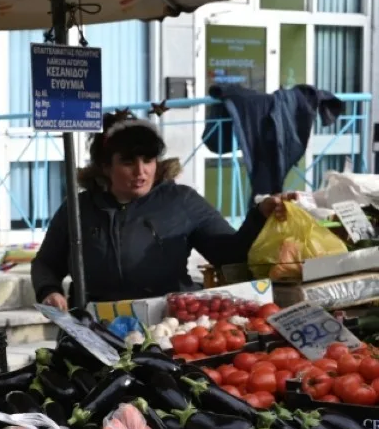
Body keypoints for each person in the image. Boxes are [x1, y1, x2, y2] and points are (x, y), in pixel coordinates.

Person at [31, 111, 293, 308]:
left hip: (166, 324)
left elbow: (229, 253)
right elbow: (46, 263)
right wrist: (48, 290)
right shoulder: (78, 209)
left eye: (148, 160)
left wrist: (260, 214)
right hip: (94, 326)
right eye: (128, 162)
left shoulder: (181, 201)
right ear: (105, 166)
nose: (141, 171)